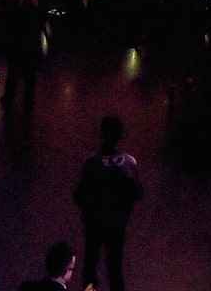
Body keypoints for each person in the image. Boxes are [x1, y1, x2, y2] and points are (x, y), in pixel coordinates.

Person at [74, 116, 143, 291]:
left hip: (94, 223)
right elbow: (137, 192)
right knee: (114, 267)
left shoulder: (91, 163)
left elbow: (79, 195)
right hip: (117, 223)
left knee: (91, 265)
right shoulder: (128, 162)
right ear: (120, 135)